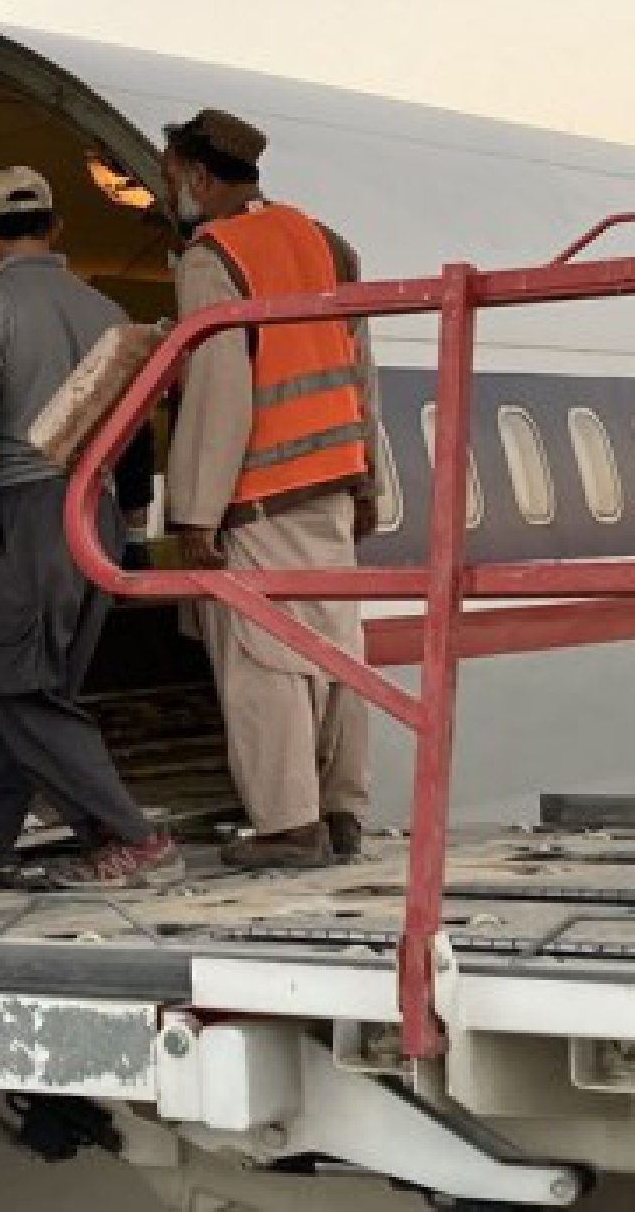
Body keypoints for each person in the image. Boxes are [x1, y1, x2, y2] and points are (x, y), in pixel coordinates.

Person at [0, 166, 180, 893]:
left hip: (24, 513)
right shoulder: (107, 310)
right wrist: (135, 531)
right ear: (55, 228)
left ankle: (129, 836)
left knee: (22, 687)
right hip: (98, 517)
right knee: (20, 685)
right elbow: (136, 431)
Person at [159, 109, 380, 870]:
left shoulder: (212, 257)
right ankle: (343, 811)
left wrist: (195, 510)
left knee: (261, 657)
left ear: (197, 175)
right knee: (335, 647)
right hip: (332, 483)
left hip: (260, 491)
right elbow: (361, 371)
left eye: (169, 176)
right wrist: (369, 479)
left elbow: (217, 388)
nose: (167, 191)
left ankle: (289, 825)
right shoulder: (327, 243)